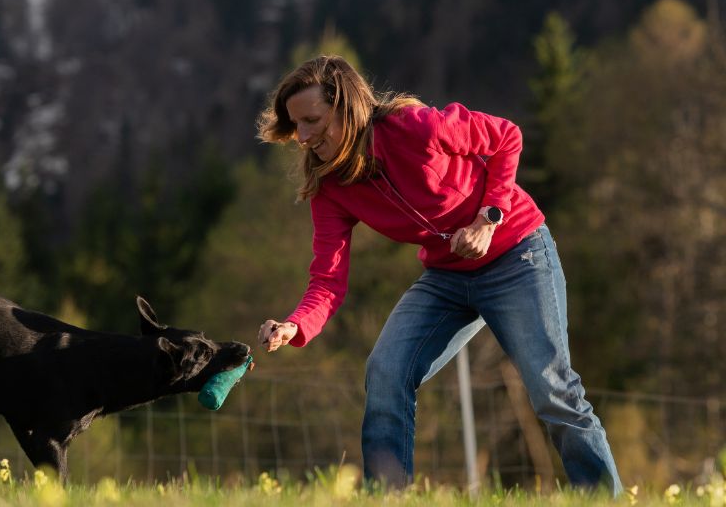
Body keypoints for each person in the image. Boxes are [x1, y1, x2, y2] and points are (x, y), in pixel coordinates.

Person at [256, 55, 621, 493]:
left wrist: (489, 218)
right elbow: (328, 281)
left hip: (517, 255)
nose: (304, 136)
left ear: (346, 107)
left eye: (313, 120)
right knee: (386, 372)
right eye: (297, 125)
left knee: (551, 389)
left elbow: (507, 136)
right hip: (448, 276)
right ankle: (386, 498)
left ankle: (604, 498)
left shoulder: (418, 128)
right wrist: (295, 324)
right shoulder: (330, 187)